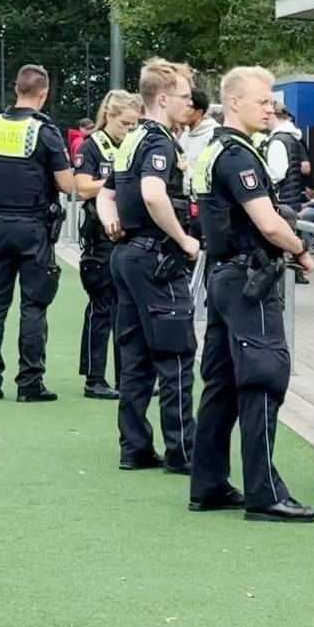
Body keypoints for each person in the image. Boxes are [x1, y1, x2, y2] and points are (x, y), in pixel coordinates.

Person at [187, 66, 314, 522]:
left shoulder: (214, 150)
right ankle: (265, 494)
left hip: (224, 276)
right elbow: (266, 222)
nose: (271, 108)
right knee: (262, 379)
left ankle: (208, 484)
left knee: (221, 384)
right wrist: (301, 250)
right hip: (249, 279)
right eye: (264, 101)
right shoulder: (238, 155)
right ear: (236, 103)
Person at [101, 59, 200, 473]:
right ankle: (182, 452)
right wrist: (184, 239)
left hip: (127, 256)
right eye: (185, 95)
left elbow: (106, 192)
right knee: (176, 354)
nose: (190, 103)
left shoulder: (131, 138)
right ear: (163, 98)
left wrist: (109, 216)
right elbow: (155, 194)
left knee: (135, 354)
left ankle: (135, 446)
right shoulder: (159, 142)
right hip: (157, 257)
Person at [0, 65, 74, 402]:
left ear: (16, 88)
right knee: (34, 306)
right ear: (43, 92)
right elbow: (65, 184)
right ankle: (29, 384)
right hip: (33, 227)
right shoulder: (46, 132)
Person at [72, 89, 142, 400]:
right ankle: (94, 378)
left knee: (126, 311)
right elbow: (82, 187)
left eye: (133, 124)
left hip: (128, 237)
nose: (129, 129)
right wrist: (120, 180)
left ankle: (126, 377)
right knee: (101, 310)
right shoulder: (92, 146)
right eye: (125, 122)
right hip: (101, 240)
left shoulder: (132, 144)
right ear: (109, 116)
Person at [264, 100, 310, 284]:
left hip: (282, 199)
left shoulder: (278, 141)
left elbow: (276, 173)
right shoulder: (292, 138)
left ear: (274, 115)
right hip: (293, 197)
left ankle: (283, 292)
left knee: (280, 248)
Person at [177, 88, 217, 164]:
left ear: (199, 112)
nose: (183, 111)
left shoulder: (212, 137)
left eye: (188, 107)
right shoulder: (184, 135)